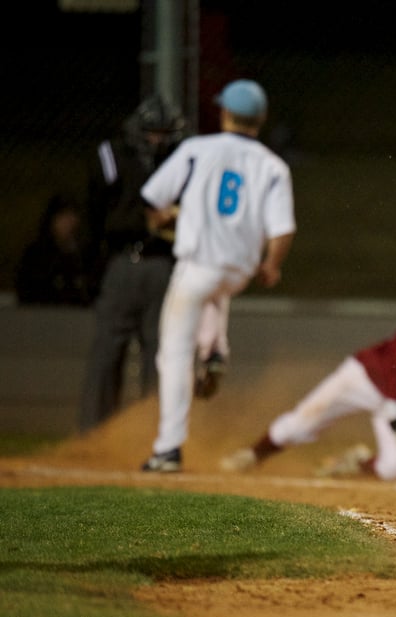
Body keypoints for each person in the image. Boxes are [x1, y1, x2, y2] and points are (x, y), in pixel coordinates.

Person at [139, 79, 296, 472]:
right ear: (259, 119)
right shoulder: (273, 165)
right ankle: (214, 348)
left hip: (197, 266)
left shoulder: (196, 149)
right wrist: (272, 265)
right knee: (215, 289)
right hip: (237, 270)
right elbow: (283, 230)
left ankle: (168, 449)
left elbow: (153, 201)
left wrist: (163, 221)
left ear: (224, 112)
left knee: (173, 353)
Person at [219, 313, 396, 484]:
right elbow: (393, 406)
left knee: (395, 468)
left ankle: (356, 463)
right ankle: (252, 455)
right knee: (301, 423)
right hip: (362, 379)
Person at [77, 95, 185, 431]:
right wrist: (92, 267)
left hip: (166, 265)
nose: (159, 139)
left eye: (165, 132)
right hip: (123, 261)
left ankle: (155, 434)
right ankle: (94, 434)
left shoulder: (183, 160)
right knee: (107, 351)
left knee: (162, 354)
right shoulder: (111, 156)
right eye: (153, 132)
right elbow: (94, 215)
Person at [14, 192, 98, 307]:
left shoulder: (84, 256)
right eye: (63, 216)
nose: (69, 222)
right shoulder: (36, 255)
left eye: (73, 215)